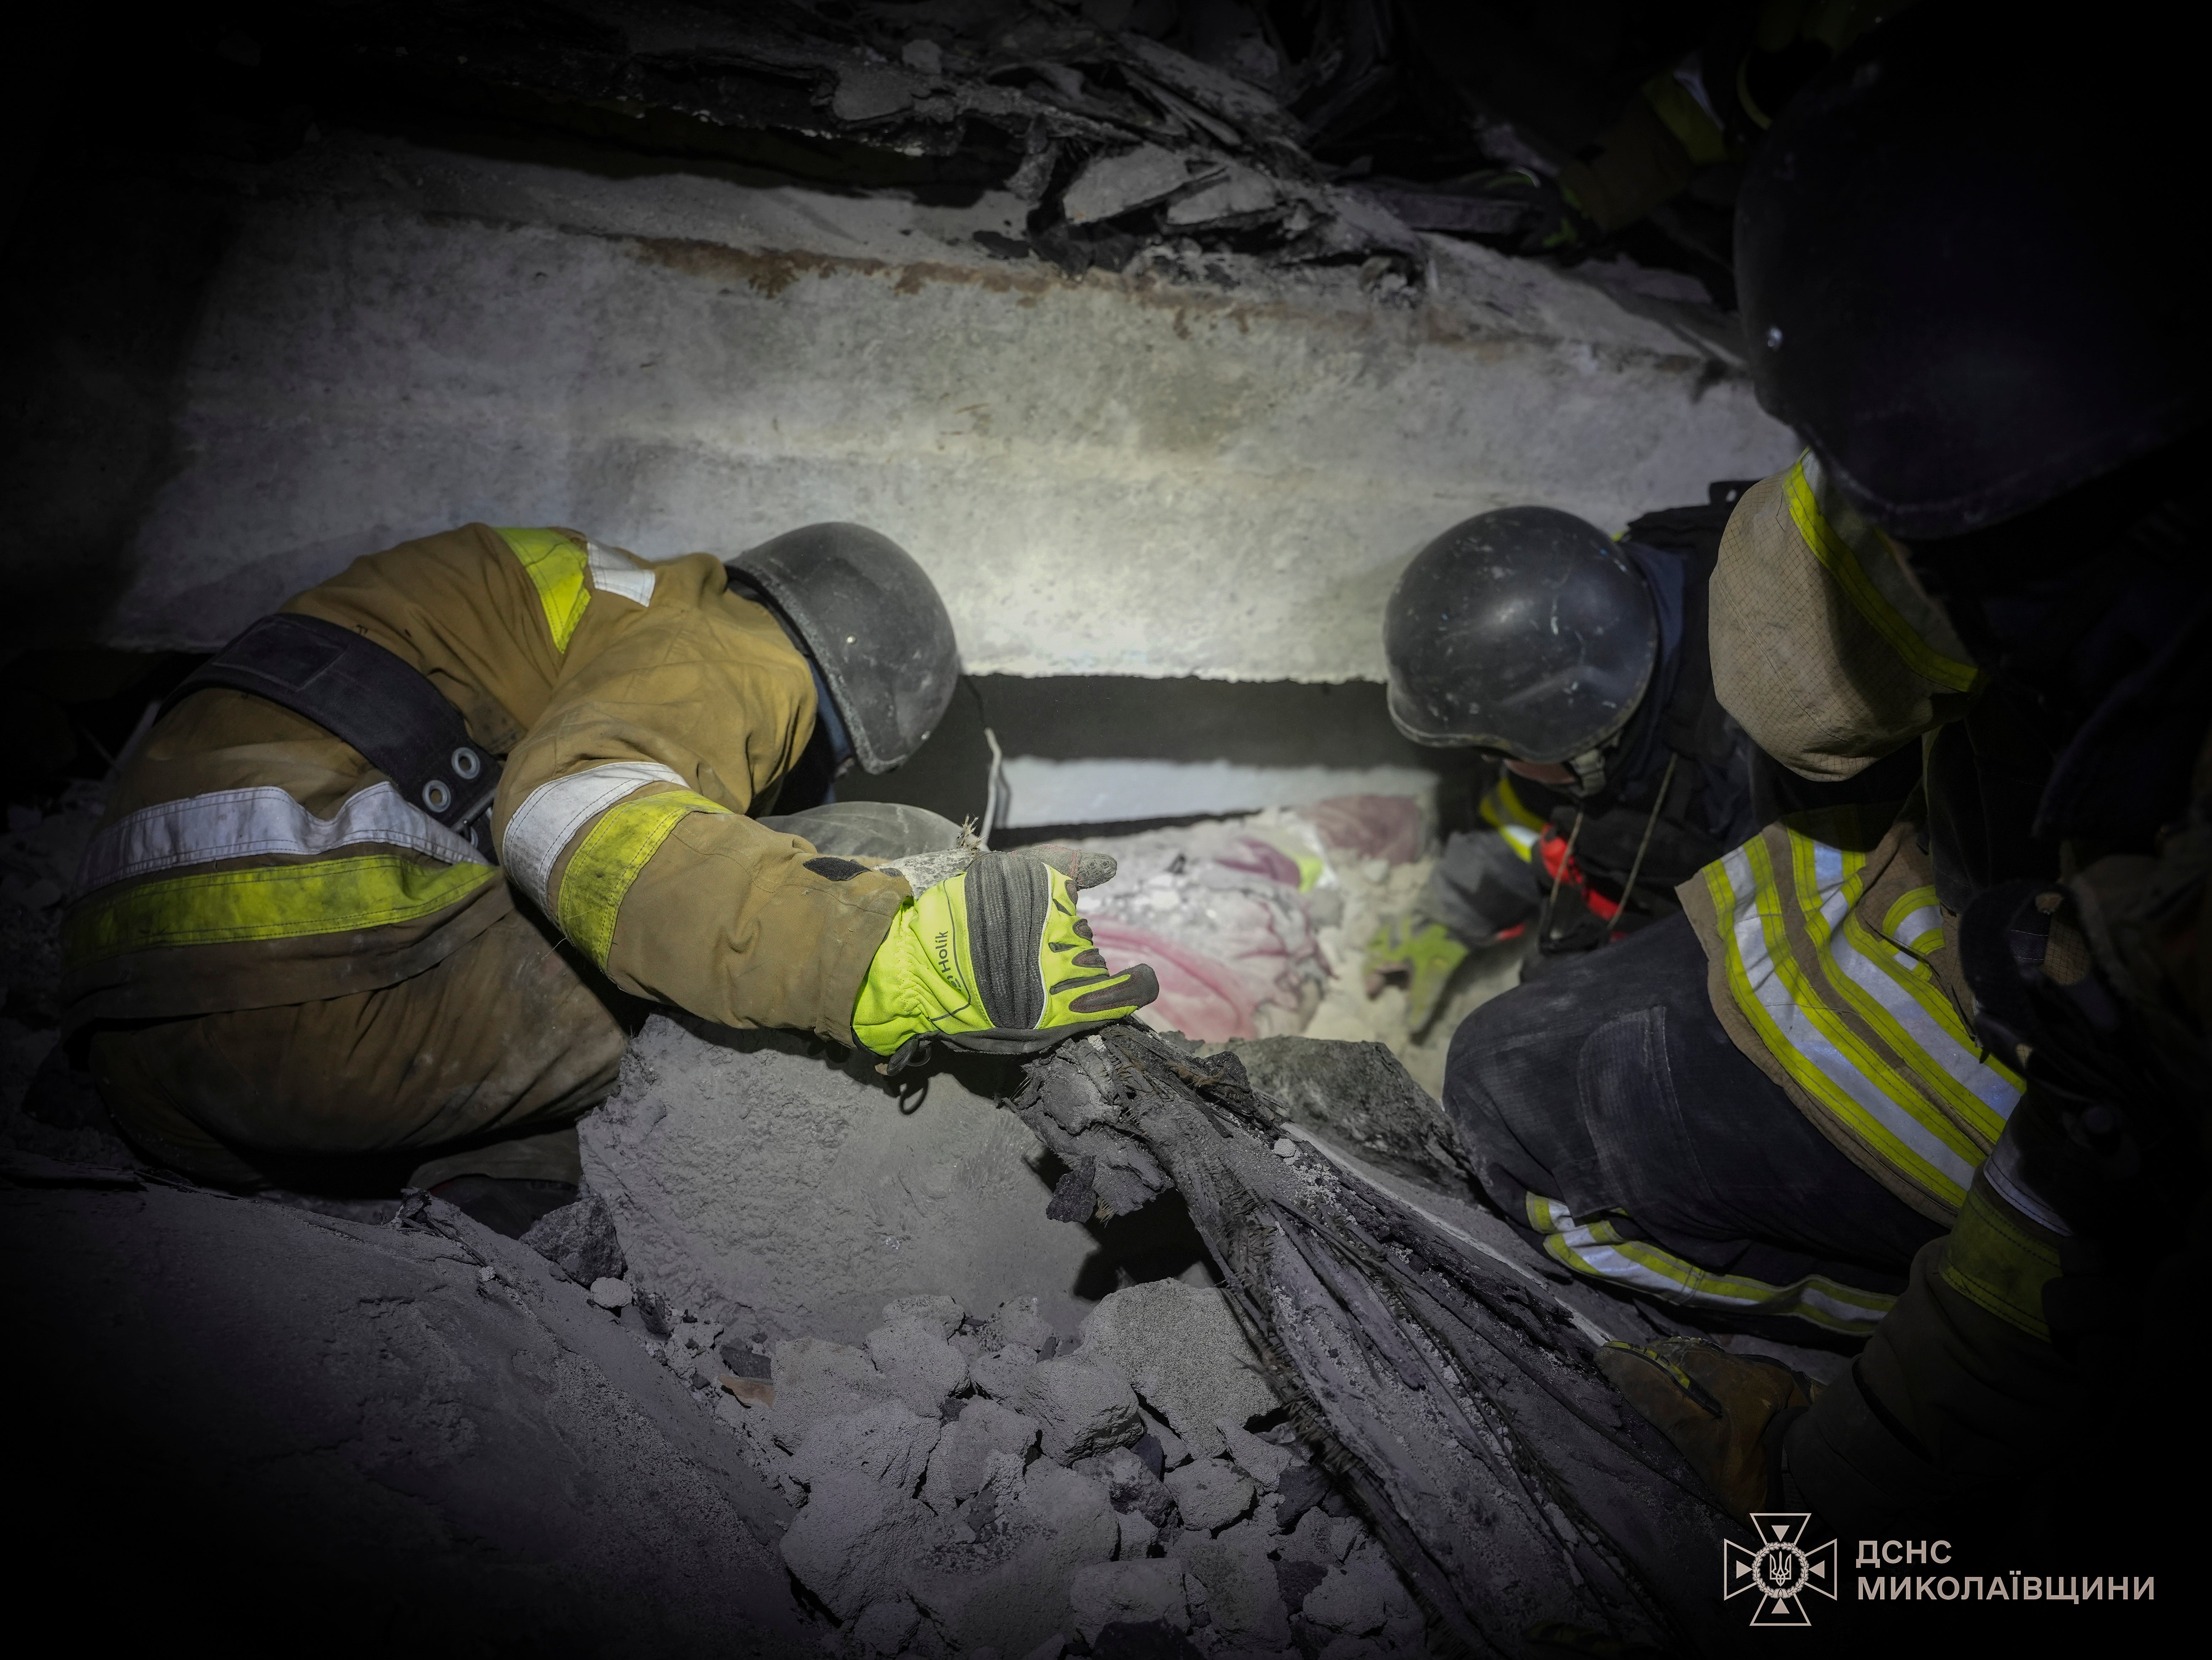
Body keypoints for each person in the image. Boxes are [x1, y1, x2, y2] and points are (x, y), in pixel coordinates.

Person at [1537, 10, 2208, 1541]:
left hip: (2011, 1048)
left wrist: (1830, 1491)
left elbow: (2065, 1235)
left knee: (1521, 1107)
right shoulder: (2107, 553)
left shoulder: (2172, 928)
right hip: (1984, 913)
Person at [59, 521, 1156, 1231]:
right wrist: (867, 951)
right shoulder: (744, 654)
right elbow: (570, 802)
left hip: (152, 1046)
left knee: (642, 898)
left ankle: (512, 1192)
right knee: (831, 863)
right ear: (841, 694)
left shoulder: (609, 602)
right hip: (310, 996)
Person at [1363, 491, 1786, 1034]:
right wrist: (1450, 916)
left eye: (1505, 751)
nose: (1498, 765)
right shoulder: (1601, 607)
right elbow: (1532, 812)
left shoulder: (1756, 757)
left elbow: (1770, 965)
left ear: (1586, 733)